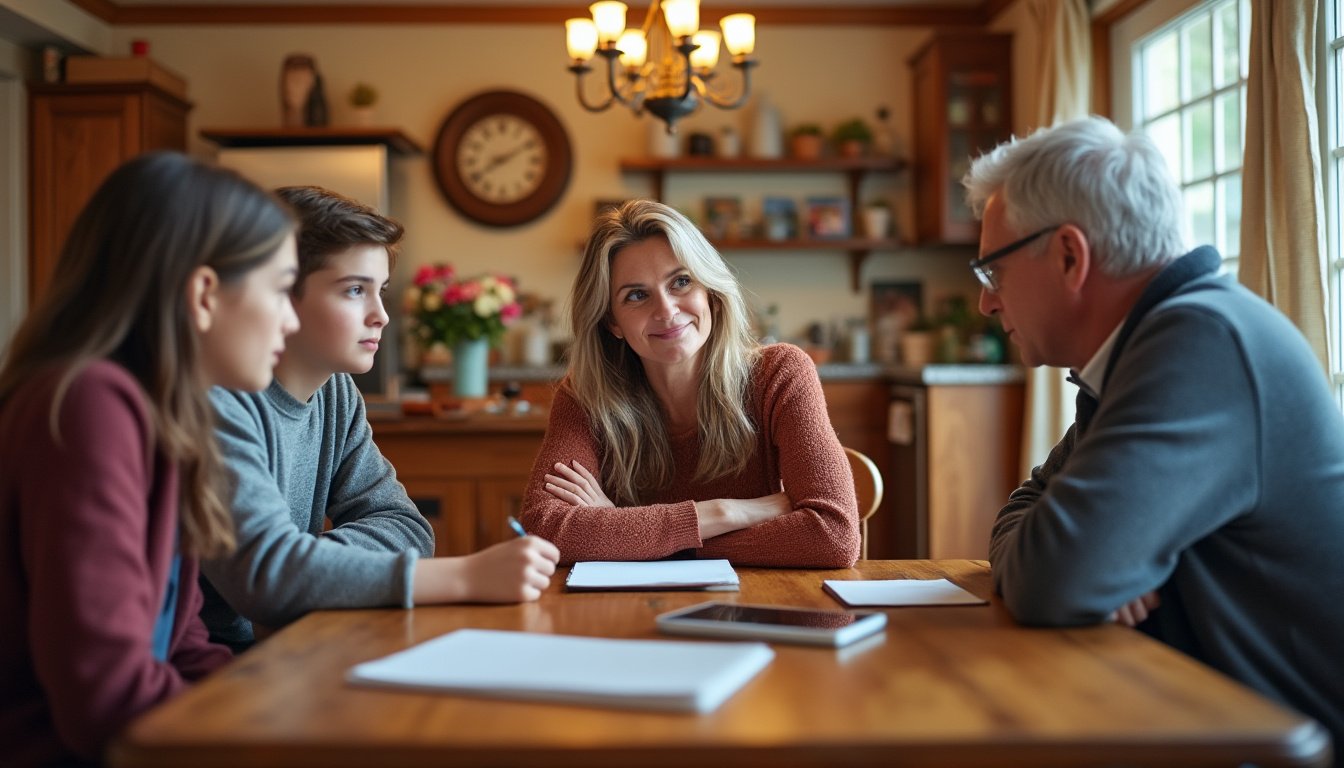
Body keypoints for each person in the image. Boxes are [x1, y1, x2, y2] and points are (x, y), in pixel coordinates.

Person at [965, 116, 1344, 752]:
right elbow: (1025, 517)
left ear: (1068, 255)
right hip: (1198, 716)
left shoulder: (1202, 342)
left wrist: (1082, 565)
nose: (987, 303)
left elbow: (1051, 580)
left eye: (992, 273)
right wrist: (1087, 562)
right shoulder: (1138, 353)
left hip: (1281, 743)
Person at [0, 151, 301, 764]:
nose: (292, 320)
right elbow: (104, 695)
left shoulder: (162, 411)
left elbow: (181, 640)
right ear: (205, 294)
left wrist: (271, 705)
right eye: (281, 290)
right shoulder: (89, 406)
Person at [200, 186, 558, 652]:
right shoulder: (218, 400)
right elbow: (271, 576)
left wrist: (313, 575)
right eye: (354, 290)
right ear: (282, 294)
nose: (381, 316)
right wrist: (465, 575)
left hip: (292, 647)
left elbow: (406, 525)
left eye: (380, 291)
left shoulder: (336, 392)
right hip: (218, 671)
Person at [518, 199, 859, 566]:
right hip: (629, 618)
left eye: (681, 282)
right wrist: (724, 514)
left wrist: (631, 535)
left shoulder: (780, 375)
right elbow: (544, 529)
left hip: (756, 611)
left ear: (710, 293)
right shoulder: (585, 396)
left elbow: (832, 535)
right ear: (611, 322)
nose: (666, 310)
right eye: (636, 295)